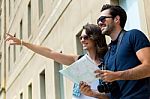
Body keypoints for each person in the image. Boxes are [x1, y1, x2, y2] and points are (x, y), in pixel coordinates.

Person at [5, 24, 108, 99]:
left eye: (85, 37)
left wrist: (93, 94)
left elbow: (112, 95)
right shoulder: (79, 60)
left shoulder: (107, 64)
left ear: (95, 38)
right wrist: (23, 43)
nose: (81, 40)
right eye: (80, 37)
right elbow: (50, 53)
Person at [79, 4, 150, 99]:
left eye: (103, 19)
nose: (100, 23)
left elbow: (148, 67)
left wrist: (117, 75)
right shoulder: (107, 54)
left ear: (116, 19)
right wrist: (93, 93)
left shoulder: (133, 35)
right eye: (98, 21)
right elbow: (112, 95)